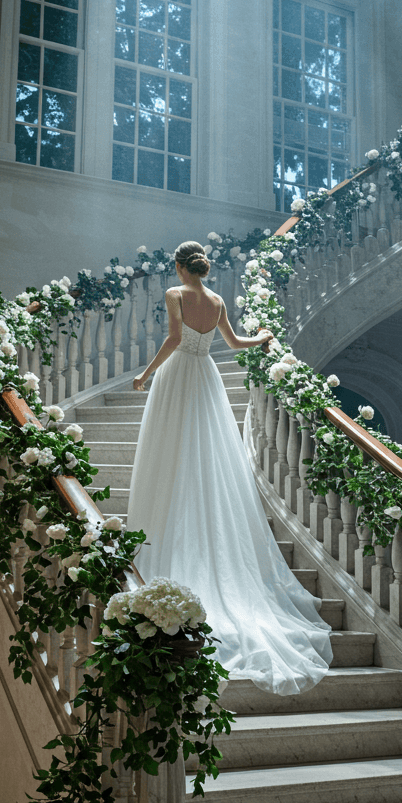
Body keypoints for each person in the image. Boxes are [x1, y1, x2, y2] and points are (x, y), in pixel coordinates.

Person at [126, 240, 333, 696]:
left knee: (170, 449)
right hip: (205, 378)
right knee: (201, 450)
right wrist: (263, 338)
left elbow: (176, 339)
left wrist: (145, 373)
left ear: (180, 267)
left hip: (177, 373)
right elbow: (235, 344)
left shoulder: (175, 294)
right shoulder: (217, 300)